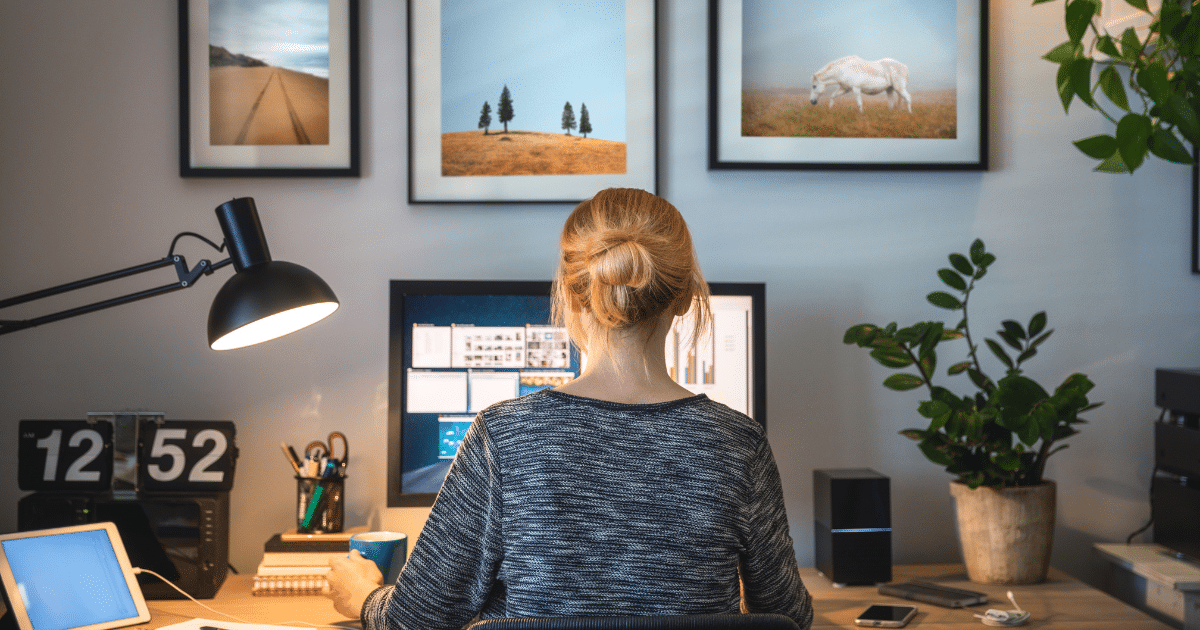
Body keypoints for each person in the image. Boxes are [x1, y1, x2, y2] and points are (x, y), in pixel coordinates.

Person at [326, 188, 814, 629]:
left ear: (571, 294)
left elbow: (418, 621)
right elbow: (787, 617)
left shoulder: (504, 437)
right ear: (685, 297)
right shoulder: (739, 444)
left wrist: (364, 597)